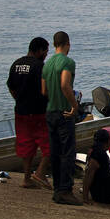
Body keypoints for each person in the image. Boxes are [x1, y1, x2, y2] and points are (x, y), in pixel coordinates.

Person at [41, 31, 81, 206]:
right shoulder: (67, 62)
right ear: (67, 44)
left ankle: (58, 189)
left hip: (50, 112)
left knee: (55, 152)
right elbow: (65, 84)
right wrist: (74, 105)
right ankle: (65, 190)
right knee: (67, 152)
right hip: (64, 112)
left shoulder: (47, 64)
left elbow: (44, 91)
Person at [7, 36, 51, 189]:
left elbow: (11, 86)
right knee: (50, 143)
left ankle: (26, 178)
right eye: (45, 51)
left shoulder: (16, 64)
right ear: (39, 50)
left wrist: (19, 100)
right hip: (39, 112)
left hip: (21, 112)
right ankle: (40, 173)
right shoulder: (40, 66)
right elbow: (46, 90)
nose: (46, 54)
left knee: (26, 144)